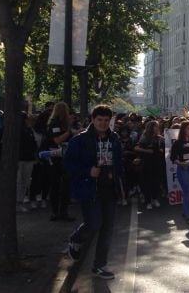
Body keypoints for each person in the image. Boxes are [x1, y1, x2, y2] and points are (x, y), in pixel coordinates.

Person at [65, 105, 123, 280]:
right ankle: (76, 239)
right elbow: (68, 164)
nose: (103, 123)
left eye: (107, 120)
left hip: (109, 189)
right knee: (94, 223)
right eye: (100, 120)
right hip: (89, 188)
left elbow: (119, 160)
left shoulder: (114, 139)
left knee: (107, 228)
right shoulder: (80, 140)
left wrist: (116, 172)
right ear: (93, 119)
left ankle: (99, 265)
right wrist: (88, 171)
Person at [135, 120, 165, 210]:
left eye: (157, 126)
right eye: (155, 126)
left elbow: (165, 148)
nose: (157, 128)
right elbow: (136, 148)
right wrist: (147, 151)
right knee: (147, 183)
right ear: (150, 127)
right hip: (147, 164)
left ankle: (155, 198)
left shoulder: (160, 138)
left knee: (156, 182)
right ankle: (148, 201)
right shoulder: (144, 137)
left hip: (157, 164)